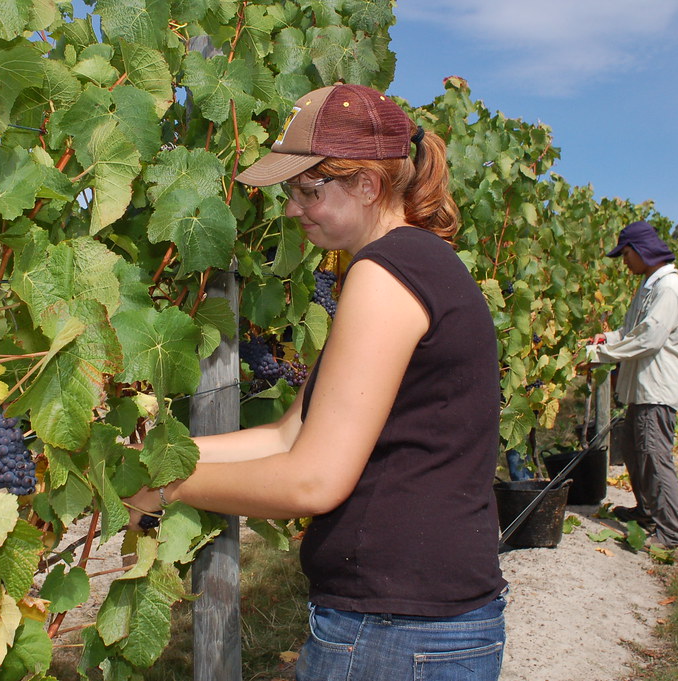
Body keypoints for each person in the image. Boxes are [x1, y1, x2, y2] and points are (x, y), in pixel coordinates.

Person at [124, 83, 507, 681]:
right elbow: (288, 436)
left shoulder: (386, 276)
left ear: (367, 185)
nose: (292, 210)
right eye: (290, 193)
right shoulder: (418, 265)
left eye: (308, 191)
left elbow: (313, 481)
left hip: (393, 632)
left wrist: (171, 488)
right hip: (420, 620)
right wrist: (161, 458)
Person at [580, 221, 678, 549]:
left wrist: (599, 354)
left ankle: (671, 533)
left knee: (654, 457)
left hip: (658, 391)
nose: (624, 260)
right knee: (635, 451)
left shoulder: (668, 289)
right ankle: (646, 512)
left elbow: (649, 338)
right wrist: (607, 338)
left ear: (642, 250)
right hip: (644, 389)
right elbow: (633, 330)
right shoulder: (650, 285)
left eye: (626, 253)